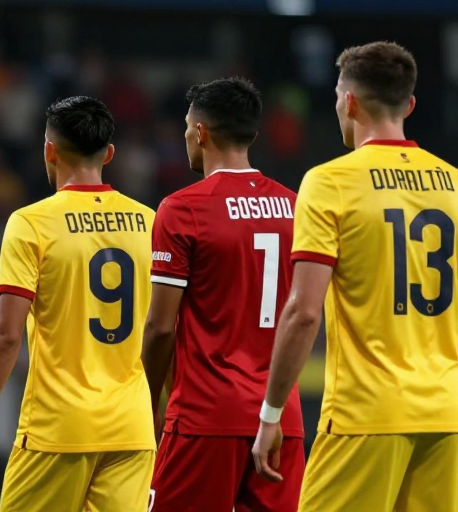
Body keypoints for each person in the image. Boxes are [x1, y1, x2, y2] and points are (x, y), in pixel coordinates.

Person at [252, 41, 458, 512]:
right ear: (409, 105)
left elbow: (303, 312)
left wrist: (270, 414)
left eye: (338, 95)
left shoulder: (330, 182)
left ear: (350, 102)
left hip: (364, 416)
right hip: (445, 417)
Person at [0, 96, 156, 512]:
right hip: (132, 429)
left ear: (49, 151)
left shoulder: (31, 223)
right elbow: (164, 328)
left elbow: (6, 335)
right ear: (109, 154)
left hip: (57, 429)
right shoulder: (149, 221)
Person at [142, 77, 305, 512]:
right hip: (281, 418)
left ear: (200, 132)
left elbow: (160, 327)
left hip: (206, 417)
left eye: (186, 128)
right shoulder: (295, 208)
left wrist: (146, 402)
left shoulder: (182, 209)